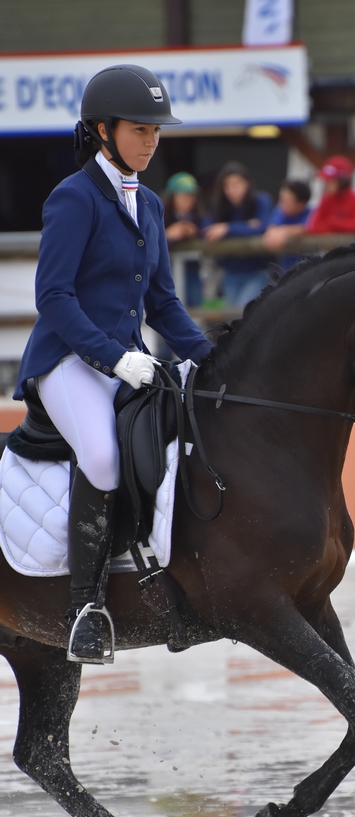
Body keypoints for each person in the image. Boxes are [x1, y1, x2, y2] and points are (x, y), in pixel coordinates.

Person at [13, 64, 213, 664]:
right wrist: (113, 358)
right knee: (101, 456)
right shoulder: (73, 197)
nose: (151, 141)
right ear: (102, 130)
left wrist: (214, 357)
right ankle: (85, 610)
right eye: (140, 129)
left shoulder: (148, 203)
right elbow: (53, 297)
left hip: (129, 360)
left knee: (181, 437)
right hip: (68, 361)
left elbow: (163, 302)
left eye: (157, 131)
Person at [203, 161, 273, 308]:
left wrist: (227, 228)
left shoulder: (261, 200)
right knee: (232, 319)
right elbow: (207, 229)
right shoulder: (220, 205)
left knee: (243, 312)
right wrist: (245, 227)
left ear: (247, 183)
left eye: (237, 184)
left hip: (257, 270)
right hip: (230, 272)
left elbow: (263, 227)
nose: (232, 190)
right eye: (227, 186)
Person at [163, 171, 205, 306]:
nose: (188, 200)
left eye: (191, 195)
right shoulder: (159, 215)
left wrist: (197, 233)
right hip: (165, 274)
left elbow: (210, 231)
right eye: (183, 195)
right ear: (172, 197)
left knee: (195, 310)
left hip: (192, 273)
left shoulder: (200, 216)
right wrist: (167, 235)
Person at [306, 156, 355, 234]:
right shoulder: (326, 199)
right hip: (328, 245)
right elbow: (314, 226)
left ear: (343, 181)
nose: (326, 184)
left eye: (331, 181)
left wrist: (331, 222)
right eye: (326, 181)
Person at [262, 178, 312, 272]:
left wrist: (284, 231)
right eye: (281, 198)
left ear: (301, 203)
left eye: (287, 200)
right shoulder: (279, 211)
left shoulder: (311, 213)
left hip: (308, 269)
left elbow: (307, 227)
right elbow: (271, 229)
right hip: (284, 269)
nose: (281, 203)